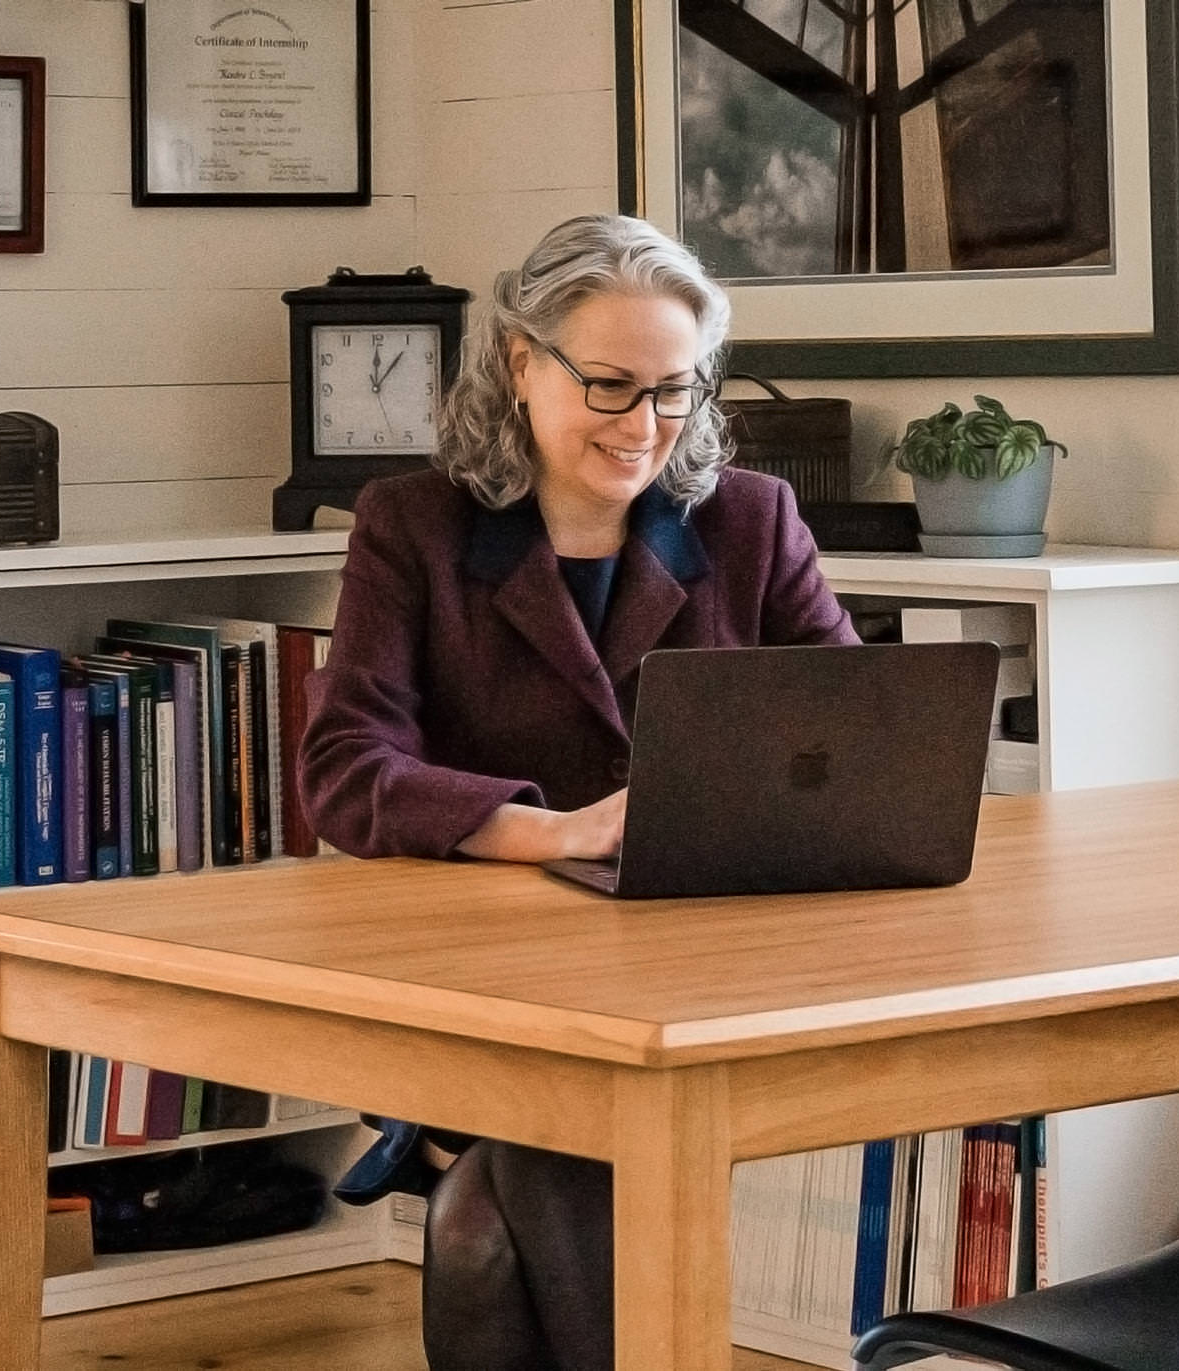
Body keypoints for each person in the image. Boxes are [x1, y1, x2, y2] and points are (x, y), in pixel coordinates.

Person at [300, 214, 855, 1371]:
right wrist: (548, 829)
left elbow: (857, 730)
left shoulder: (751, 521)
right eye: (607, 385)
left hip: (704, 967)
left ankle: (439, 1151)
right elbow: (346, 772)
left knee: (475, 1229)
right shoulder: (412, 525)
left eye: (674, 391)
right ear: (518, 362)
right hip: (492, 977)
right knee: (550, 1154)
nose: (643, 425)